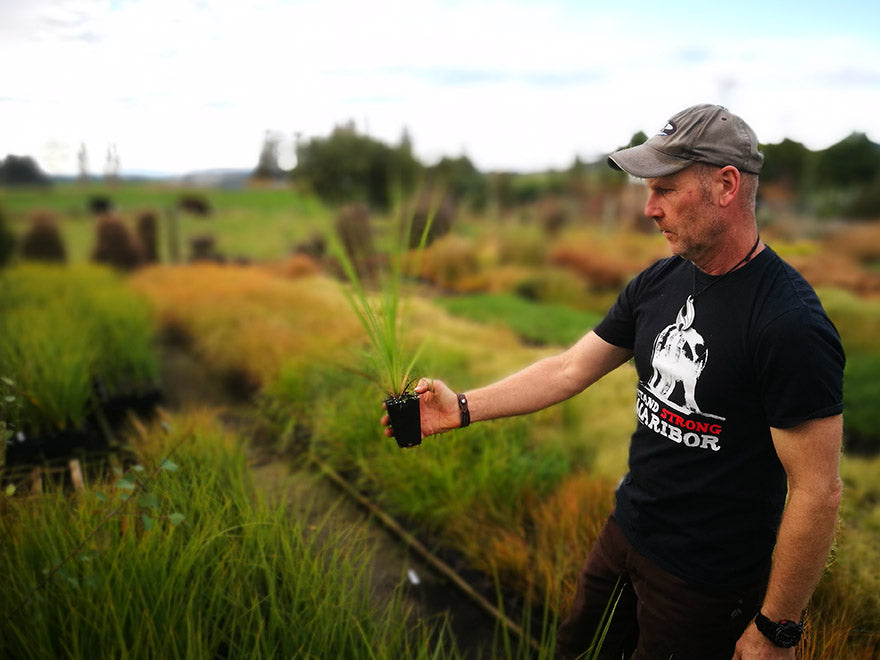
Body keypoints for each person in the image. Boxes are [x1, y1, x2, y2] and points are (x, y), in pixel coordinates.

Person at [381, 103, 845, 660]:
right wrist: (461, 407)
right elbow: (568, 369)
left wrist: (776, 629)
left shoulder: (788, 323)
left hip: (705, 581)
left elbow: (818, 490)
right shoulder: (660, 281)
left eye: (666, 190)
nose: (649, 209)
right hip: (625, 534)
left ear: (726, 185)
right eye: (647, 190)